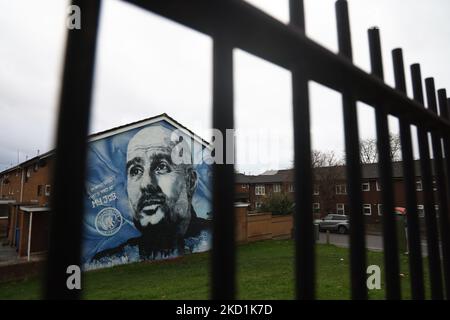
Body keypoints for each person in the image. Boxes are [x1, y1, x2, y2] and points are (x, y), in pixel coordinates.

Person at [90, 125, 210, 265]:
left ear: (190, 182)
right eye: (135, 171)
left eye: (161, 167)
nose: (146, 184)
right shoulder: (107, 260)